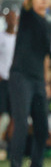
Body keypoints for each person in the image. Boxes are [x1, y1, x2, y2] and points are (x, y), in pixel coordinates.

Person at [7, 0, 51, 167]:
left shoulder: (48, 23)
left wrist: (47, 81)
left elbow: (44, 55)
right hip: (20, 76)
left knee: (43, 126)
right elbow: (26, 2)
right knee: (22, 124)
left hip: (37, 79)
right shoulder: (27, 15)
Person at [0, 10, 17, 145]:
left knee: (14, 114)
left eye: (14, 18)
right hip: (2, 80)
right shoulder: (1, 37)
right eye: (9, 18)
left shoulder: (20, 39)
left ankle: (10, 144)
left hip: (16, 81)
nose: (12, 21)